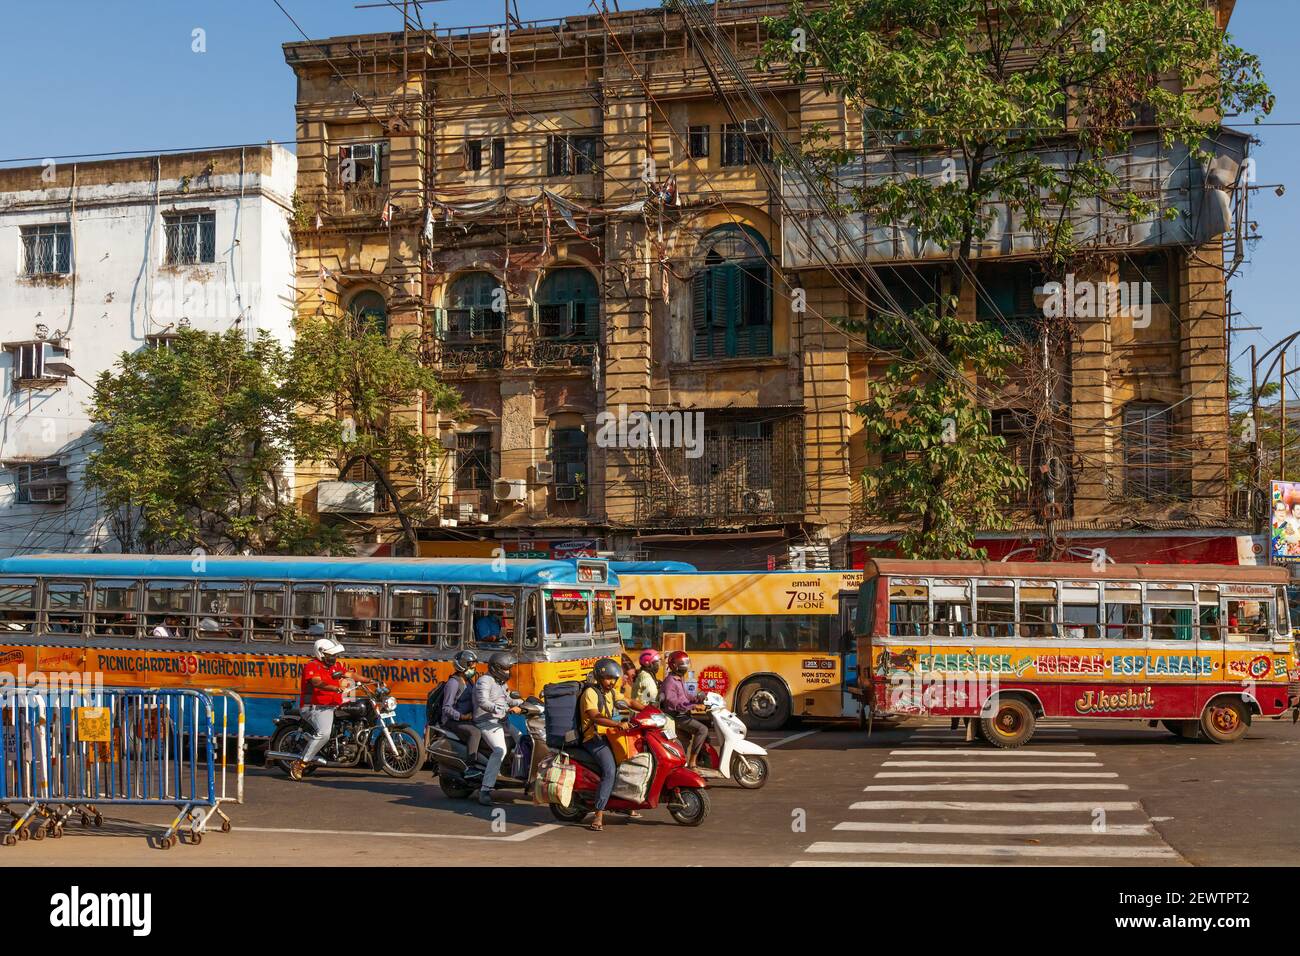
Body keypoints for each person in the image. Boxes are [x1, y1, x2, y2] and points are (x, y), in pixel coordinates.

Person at [580, 657, 638, 832]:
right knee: (610, 770)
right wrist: (617, 724)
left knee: (631, 760)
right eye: (608, 678)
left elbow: (629, 702)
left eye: (614, 679)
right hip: (593, 738)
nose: (611, 682)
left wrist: (651, 710)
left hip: (611, 735)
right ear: (599, 677)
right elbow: (595, 716)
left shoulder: (611, 693)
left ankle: (626, 802)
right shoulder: (590, 693)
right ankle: (598, 814)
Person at [290, 629, 357, 781]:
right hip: (314, 707)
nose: (334, 658)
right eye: (331, 655)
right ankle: (300, 763)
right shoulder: (312, 666)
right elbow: (317, 683)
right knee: (324, 733)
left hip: (331, 704)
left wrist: (372, 680)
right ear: (321, 654)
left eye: (335, 655)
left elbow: (351, 675)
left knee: (356, 708)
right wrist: (335, 688)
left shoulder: (334, 667)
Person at [473, 651, 522, 806]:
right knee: (500, 750)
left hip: (502, 721)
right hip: (486, 722)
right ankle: (485, 789)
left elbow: (508, 699)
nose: (508, 672)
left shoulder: (501, 682)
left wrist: (524, 702)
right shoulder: (484, 681)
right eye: (506, 669)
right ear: (496, 668)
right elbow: (483, 702)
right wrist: (500, 709)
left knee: (524, 740)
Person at [660, 650, 708, 769]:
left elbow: (686, 696)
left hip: (683, 714)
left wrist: (699, 699)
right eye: (682, 664)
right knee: (702, 730)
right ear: (674, 665)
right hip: (676, 716)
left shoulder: (679, 678)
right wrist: (693, 706)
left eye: (686, 663)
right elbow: (673, 702)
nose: (685, 667)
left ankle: (685, 762)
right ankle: (692, 761)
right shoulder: (670, 682)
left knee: (686, 739)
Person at [440, 650, 482, 774]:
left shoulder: (469, 681)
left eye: (474, 666)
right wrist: (462, 716)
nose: (473, 669)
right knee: (475, 732)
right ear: (462, 666)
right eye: (471, 666)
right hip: (453, 721)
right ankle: (471, 767)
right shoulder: (453, 683)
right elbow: (446, 708)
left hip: (469, 718)